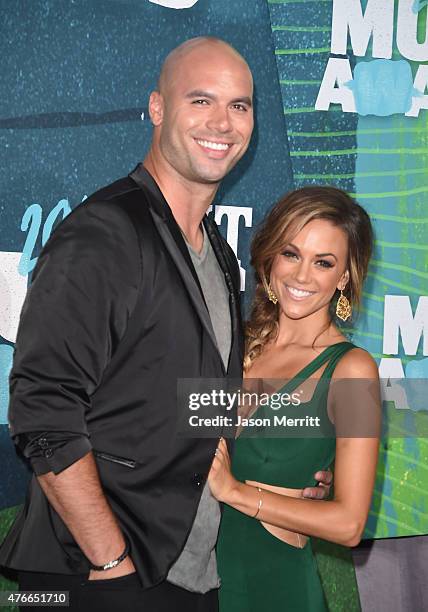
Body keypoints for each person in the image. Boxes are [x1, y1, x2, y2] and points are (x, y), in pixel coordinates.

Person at [0, 38, 331, 611]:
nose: (222, 123)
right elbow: (42, 413)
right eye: (200, 100)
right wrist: (112, 565)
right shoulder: (105, 233)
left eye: (240, 105)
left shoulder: (220, 256)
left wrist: (292, 456)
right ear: (157, 108)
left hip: (191, 572)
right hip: (104, 574)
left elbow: (193, 403)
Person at [209, 186, 381, 612]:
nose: (303, 276)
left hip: (272, 586)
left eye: (323, 262)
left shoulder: (351, 369)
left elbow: (349, 524)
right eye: (291, 253)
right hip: (196, 578)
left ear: (344, 276)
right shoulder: (232, 343)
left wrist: (235, 491)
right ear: (270, 258)